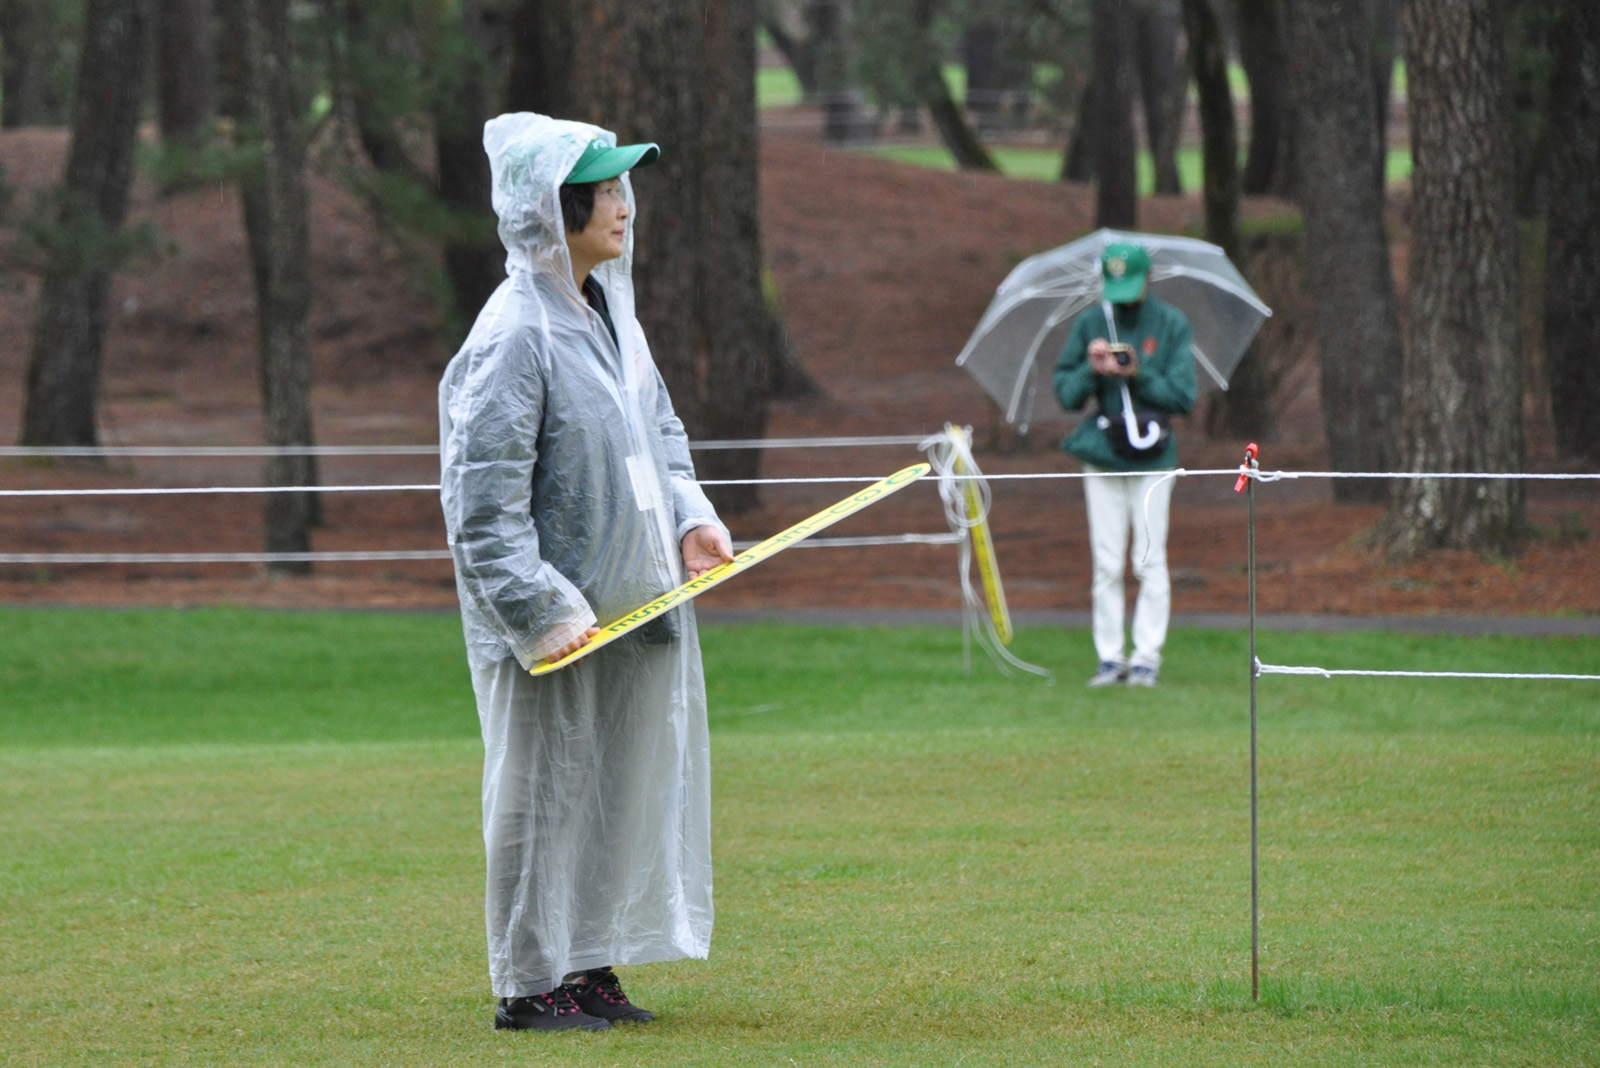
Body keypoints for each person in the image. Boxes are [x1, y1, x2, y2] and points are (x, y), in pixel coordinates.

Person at [438, 113, 733, 1033]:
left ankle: (588, 962)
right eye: (602, 192)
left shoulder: (611, 314)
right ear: (550, 207)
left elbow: (661, 436)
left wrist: (692, 519)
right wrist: (539, 610)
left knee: (615, 789)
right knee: (543, 794)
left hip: (635, 600)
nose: (622, 206)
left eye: (619, 188)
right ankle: (531, 986)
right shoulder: (513, 334)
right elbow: (482, 502)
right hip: (557, 623)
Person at [1053, 241, 1196, 688]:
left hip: (1155, 456)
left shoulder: (1171, 323)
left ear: (1147, 279)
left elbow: (1183, 396)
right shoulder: (1091, 322)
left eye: (1131, 286)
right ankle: (1110, 658)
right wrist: (1092, 368)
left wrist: (1138, 372)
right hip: (1104, 455)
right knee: (1107, 563)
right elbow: (1066, 394)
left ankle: (1146, 657)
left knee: (1149, 560)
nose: (1124, 298)